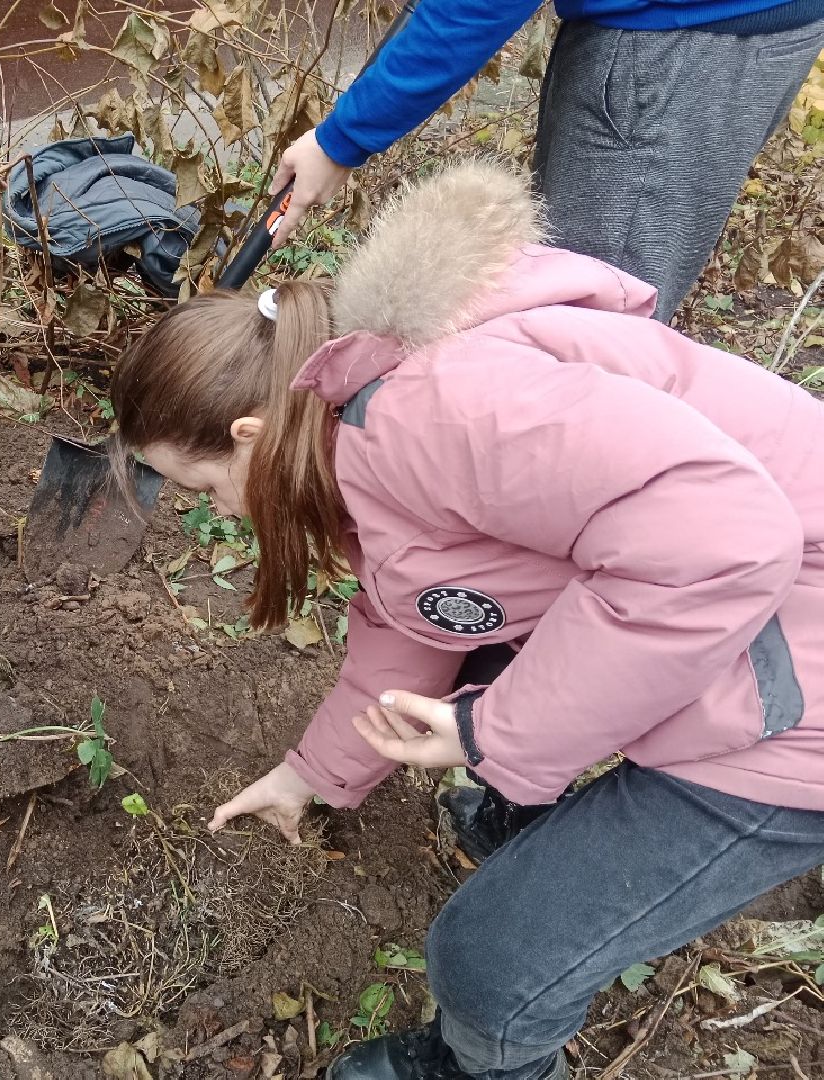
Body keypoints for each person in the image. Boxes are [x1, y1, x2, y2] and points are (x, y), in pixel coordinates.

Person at [109, 160, 824, 1080]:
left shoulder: (431, 416)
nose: (214, 515)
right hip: (742, 625)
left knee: (489, 965)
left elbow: (724, 542)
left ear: (248, 437)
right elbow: (416, 614)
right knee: (488, 656)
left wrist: (497, 732)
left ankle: (483, 1065)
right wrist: (310, 774)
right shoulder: (352, 416)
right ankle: (531, 808)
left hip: (794, 701)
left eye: (202, 489)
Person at [269, 0, 824, 323]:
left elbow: (476, 6)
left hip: (673, 51)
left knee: (587, 328)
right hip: (737, 25)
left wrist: (340, 139)